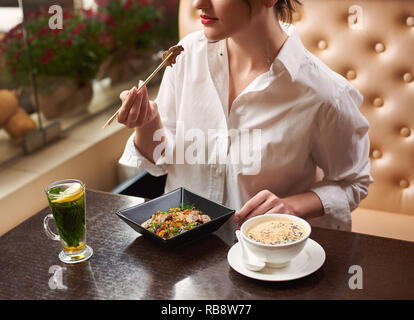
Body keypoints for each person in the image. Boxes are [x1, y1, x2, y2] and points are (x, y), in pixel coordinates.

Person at [118, 0, 373, 231]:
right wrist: (148, 123)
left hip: (263, 259)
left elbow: (353, 185)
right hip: (183, 253)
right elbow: (160, 161)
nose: (197, 3)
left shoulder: (325, 94)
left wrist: (291, 207)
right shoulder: (184, 56)